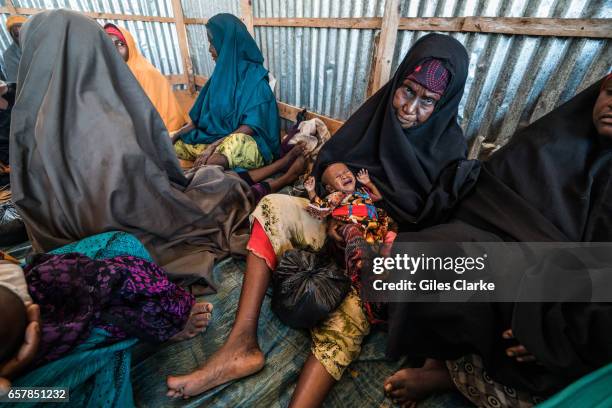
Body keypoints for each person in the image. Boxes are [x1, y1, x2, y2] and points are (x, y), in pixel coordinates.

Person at [166, 33, 481, 407]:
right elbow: (331, 156)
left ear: (443, 104)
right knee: (271, 209)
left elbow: (432, 226)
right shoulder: (376, 115)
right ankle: (241, 343)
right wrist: (335, 180)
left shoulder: (450, 152)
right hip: (332, 219)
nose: (409, 108)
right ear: (397, 83)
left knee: (351, 316)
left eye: (426, 101)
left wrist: (372, 242)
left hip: (375, 252)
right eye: (406, 91)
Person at [382, 74, 612, 408]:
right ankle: (437, 360)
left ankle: (450, 377)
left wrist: (555, 336)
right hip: (513, 263)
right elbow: (491, 195)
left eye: (427, 99)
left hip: (567, 312)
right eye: (609, 92)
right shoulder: (552, 140)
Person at [10, 10, 252, 287]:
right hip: (124, 229)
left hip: (64, 239)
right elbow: (137, 191)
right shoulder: (104, 114)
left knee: (214, 176)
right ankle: (267, 178)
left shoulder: (27, 121)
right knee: (219, 185)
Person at [170, 13, 280, 171]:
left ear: (227, 43)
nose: (209, 49)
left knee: (230, 147)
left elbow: (250, 127)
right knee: (172, 146)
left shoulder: (255, 80)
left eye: (212, 43)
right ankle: (211, 162)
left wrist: (213, 146)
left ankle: (212, 164)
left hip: (248, 142)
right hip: (219, 137)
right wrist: (175, 135)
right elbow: (199, 119)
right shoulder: (220, 76)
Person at [103, 23, 190, 133]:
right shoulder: (116, 71)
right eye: (108, 45)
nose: (114, 50)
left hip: (166, 130)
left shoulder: (142, 72)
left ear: (130, 46)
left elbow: (150, 116)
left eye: (120, 44)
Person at [304, 165, 395, 245]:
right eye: (338, 177)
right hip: (354, 226)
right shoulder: (337, 195)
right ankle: (360, 260)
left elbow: (378, 196)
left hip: (373, 227)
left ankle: (387, 253)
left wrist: (368, 183)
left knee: (390, 230)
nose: (344, 176)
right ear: (330, 188)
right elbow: (320, 210)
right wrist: (311, 191)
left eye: (346, 171)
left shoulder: (362, 191)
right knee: (352, 233)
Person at [2, 15, 26, 83]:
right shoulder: (9, 55)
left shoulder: (40, 43)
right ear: (11, 34)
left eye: (22, 30)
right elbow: (16, 82)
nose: (21, 36)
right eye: (17, 34)